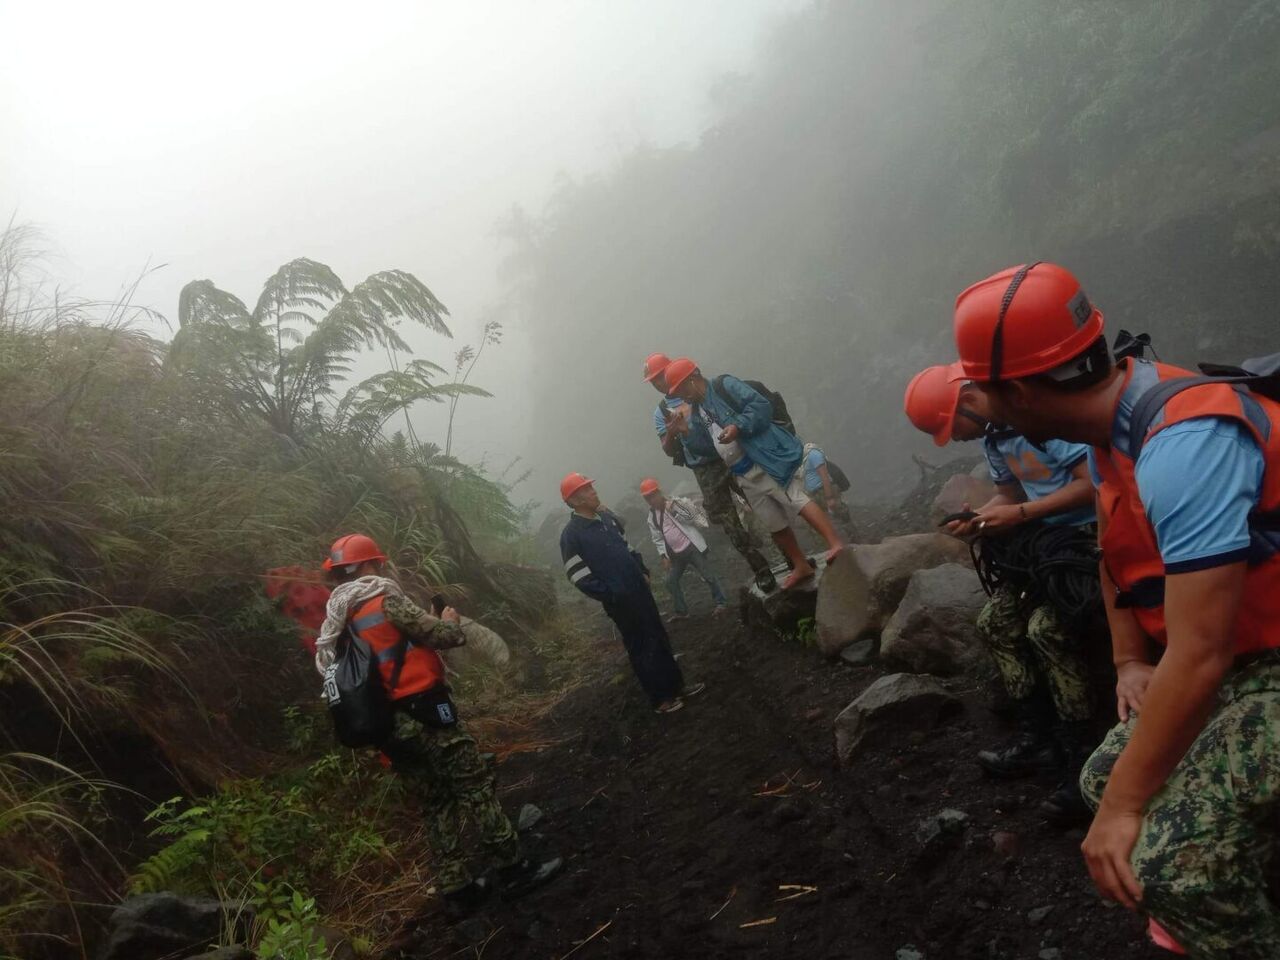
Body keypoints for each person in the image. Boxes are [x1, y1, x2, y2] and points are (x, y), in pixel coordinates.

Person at [951, 260, 1280, 958]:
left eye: (980, 387)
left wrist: (1130, 810)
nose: (975, 401)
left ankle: (1223, 914)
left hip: (1255, 659)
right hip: (1252, 652)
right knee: (1102, 776)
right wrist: (1130, 660)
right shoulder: (1120, 420)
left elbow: (1199, 656)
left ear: (1018, 391)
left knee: (1167, 855)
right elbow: (1118, 553)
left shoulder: (1182, 447)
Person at [313, 534, 561, 914]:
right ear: (369, 565)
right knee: (474, 785)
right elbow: (445, 636)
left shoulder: (337, 621)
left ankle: (457, 890)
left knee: (436, 801)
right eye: (377, 563)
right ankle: (515, 869)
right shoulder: (385, 600)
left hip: (390, 730)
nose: (381, 568)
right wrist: (448, 619)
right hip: (425, 715)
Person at [904, 363, 1101, 823]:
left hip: (1087, 543)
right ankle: (1039, 740)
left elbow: (1093, 484)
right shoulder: (996, 437)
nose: (954, 440)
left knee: (1046, 629)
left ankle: (1083, 758)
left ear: (967, 401)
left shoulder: (1040, 419)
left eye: (952, 429)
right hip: (1046, 548)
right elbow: (1010, 492)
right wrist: (981, 517)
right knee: (994, 621)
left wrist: (1027, 514)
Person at [663, 358, 845, 590]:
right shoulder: (698, 412)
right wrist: (686, 433)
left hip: (763, 458)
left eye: (681, 389)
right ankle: (800, 564)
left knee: (796, 499)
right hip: (742, 472)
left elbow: (760, 406)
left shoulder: (724, 386)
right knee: (772, 521)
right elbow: (707, 448)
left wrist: (738, 427)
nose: (681, 396)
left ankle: (834, 542)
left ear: (693, 379)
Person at [558, 472, 706, 713]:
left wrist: (642, 570)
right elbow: (578, 576)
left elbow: (627, 547)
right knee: (641, 645)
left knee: (658, 636)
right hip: (620, 601)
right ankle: (661, 699)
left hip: (639, 590)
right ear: (574, 501)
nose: (593, 491)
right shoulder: (571, 535)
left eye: (591, 487)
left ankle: (677, 686)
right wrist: (611, 594)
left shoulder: (606, 519)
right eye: (586, 490)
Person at [643, 352, 777, 592]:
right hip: (704, 468)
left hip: (732, 453)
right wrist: (673, 432)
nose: (658, 384)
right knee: (728, 520)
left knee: (760, 500)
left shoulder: (695, 389)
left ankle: (788, 553)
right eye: (653, 381)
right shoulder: (661, 411)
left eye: (659, 377)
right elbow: (667, 448)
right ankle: (760, 568)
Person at [640, 476, 729, 620]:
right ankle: (682, 612)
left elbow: (690, 519)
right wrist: (664, 556)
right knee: (670, 581)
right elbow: (657, 538)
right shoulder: (652, 517)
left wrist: (674, 511)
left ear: (659, 492)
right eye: (648, 498)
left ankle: (721, 602)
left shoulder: (675, 503)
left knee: (708, 575)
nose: (651, 500)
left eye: (653, 495)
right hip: (675, 554)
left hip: (691, 547)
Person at [795, 442, 855, 538]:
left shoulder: (813, 454)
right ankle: (839, 542)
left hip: (824, 490)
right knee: (824, 520)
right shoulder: (803, 459)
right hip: (815, 494)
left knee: (840, 516)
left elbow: (824, 475)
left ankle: (854, 541)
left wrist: (829, 497)